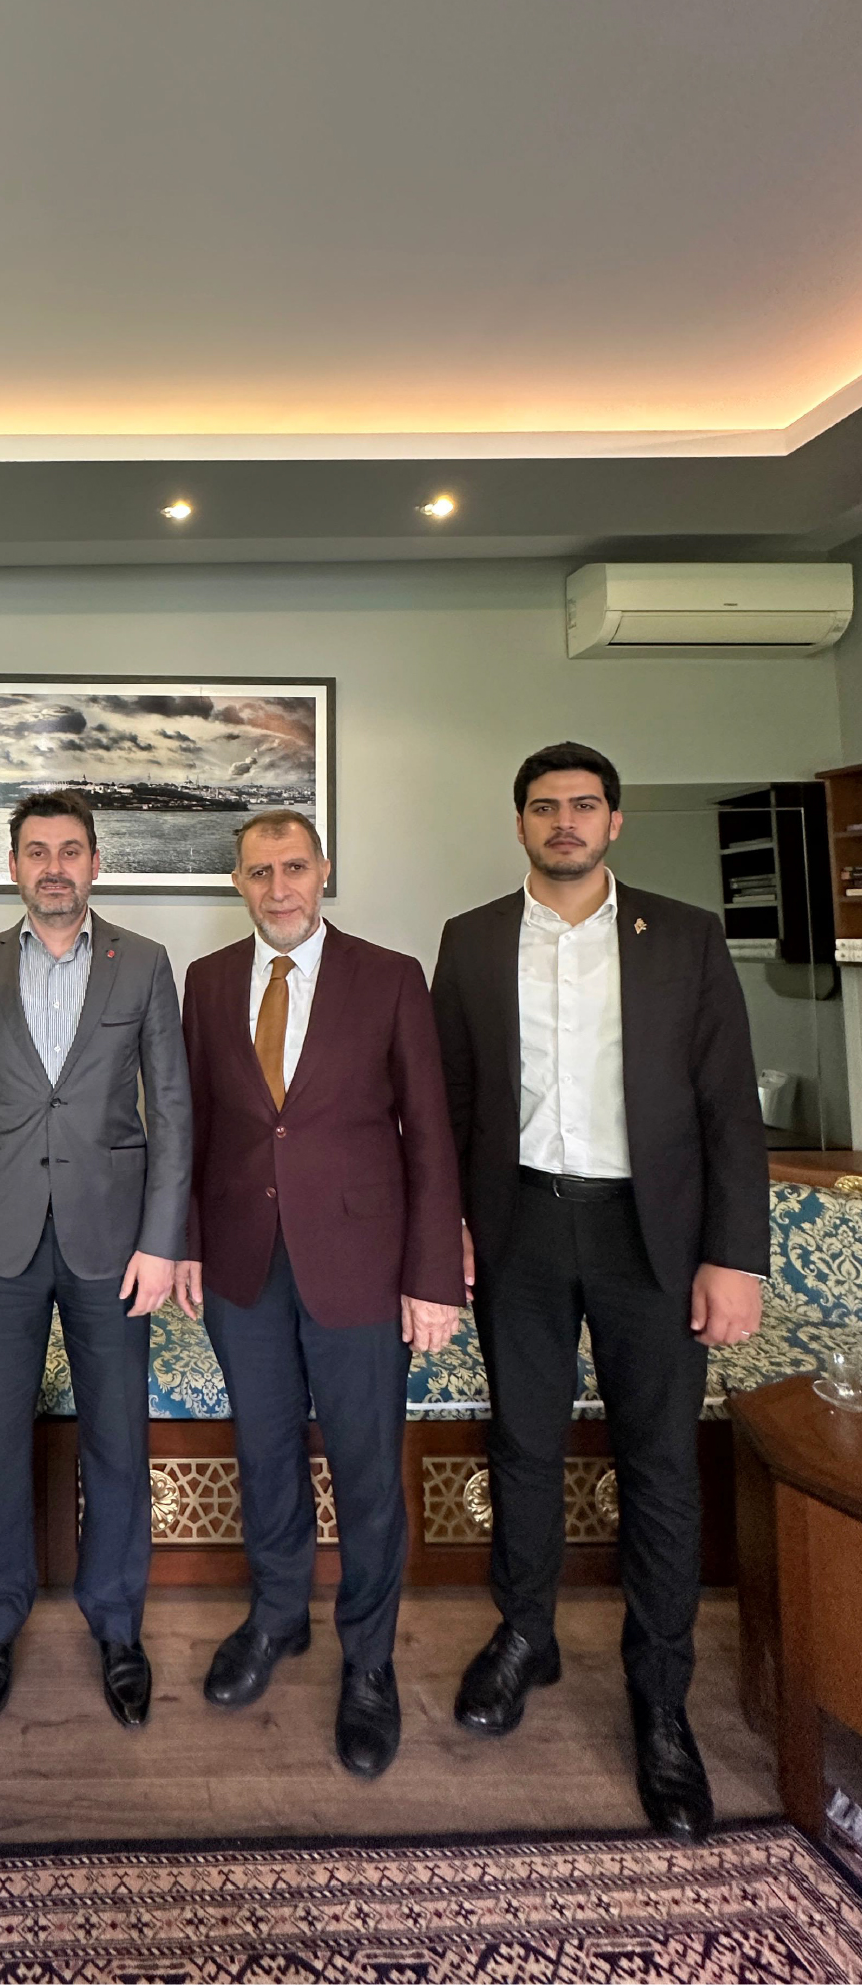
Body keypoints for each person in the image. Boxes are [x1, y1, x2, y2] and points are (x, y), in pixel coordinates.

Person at [431, 740, 766, 1843]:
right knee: (521, 1445)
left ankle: (659, 1700)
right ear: (519, 823)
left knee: (658, 1465)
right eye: (544, 806)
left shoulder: (685, 937)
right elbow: (448, 1103)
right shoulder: (471, 939)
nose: (563, 821)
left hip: (650, 1237)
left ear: (613, 822)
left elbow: (726, 1108)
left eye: (583, 805)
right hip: (519, 1225)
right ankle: (523, 1636)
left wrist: (734, 1256)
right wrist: (449, 1229)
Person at [174, 810, 463, 1779]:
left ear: (323, 871)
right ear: (237, 882)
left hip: (360, 1267)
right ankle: (275, 1617)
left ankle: (368, 1660)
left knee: (366, 1471)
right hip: (242, 1265)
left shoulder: (389, 977)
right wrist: (186, 1246)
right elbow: (192, 1124)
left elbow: (428, 1134)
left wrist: (430, 1276)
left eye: (293, 867)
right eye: (259, 872)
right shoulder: (207, 980)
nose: (278, 888)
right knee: (264, 1457)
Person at [0, 789, 191, 1728]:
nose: (53, 866)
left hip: (112, 1241)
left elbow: (171, 1109)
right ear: (13, 866)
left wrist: (161, 1241)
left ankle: (118, 1625)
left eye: (69, 849)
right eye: (36, 851)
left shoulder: (144, 963)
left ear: (94, 863)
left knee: (117, 1439)